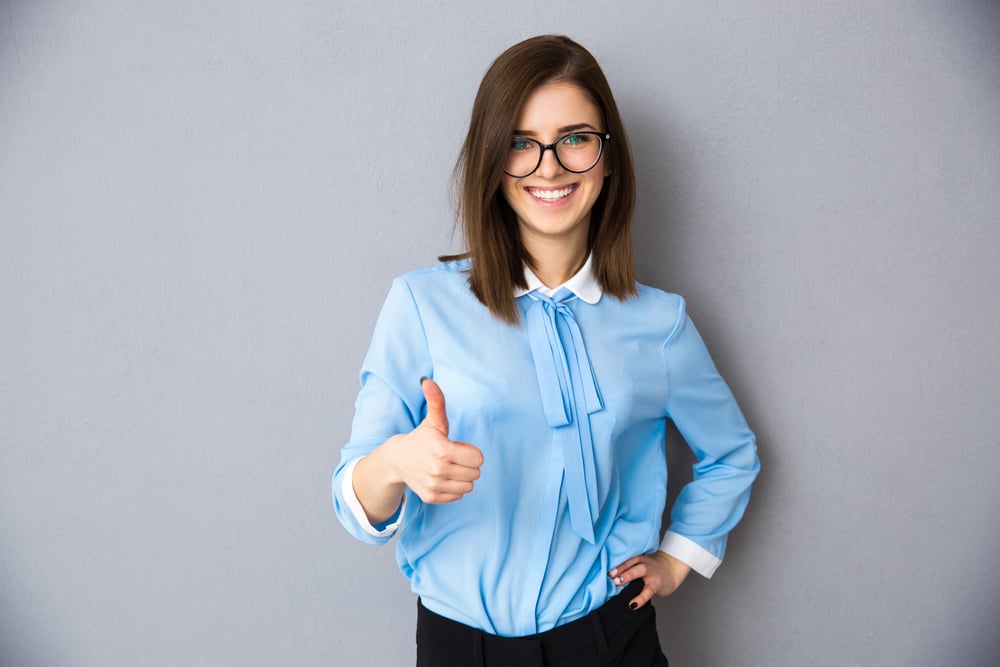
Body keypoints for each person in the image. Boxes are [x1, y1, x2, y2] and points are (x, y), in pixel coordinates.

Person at [332, 34, 760, 666]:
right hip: (458, 647)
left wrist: (677, 559)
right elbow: (352, 496)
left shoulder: (660, 323)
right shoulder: (421, 306)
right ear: (491, 162)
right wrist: (396, 462)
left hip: (610, 641)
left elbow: (731, 453)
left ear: (608, 157)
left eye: (575, 138)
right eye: (520, 143)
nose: (549, 167)